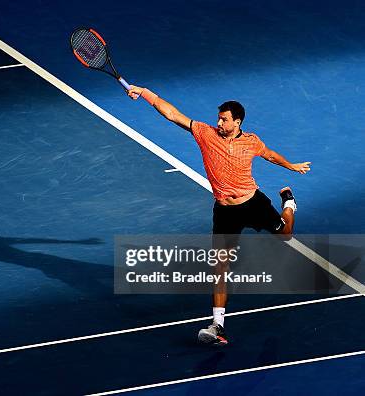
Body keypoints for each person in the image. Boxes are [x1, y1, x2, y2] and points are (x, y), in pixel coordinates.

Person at [127, 86, 311, 345]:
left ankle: (289, 203)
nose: (219, 123)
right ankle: (218, 326)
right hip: (225, 212)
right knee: (219, 267)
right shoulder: (205, 133)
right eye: (219, 118)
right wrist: (145, 92)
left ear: (237, 122)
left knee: (285, 235)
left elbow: (269, 154)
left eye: (224, 119)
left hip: (253, 203)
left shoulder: (251, 141)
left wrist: (290, 165)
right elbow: (172, 114)